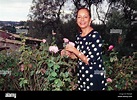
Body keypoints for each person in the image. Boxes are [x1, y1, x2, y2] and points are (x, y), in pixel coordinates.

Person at [61, 7, 107, 91]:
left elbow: (90, 61)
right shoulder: (79, 36)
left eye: (85, 17)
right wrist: (69, 54)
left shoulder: (95, 36)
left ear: (90, 20)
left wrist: (74, 50)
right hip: (83, 77)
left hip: (95, 78)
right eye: (79, 17)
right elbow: (78, 57)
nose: (82, 19)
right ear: (76, 20)